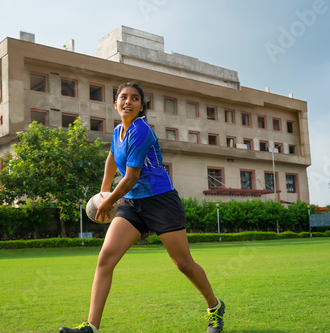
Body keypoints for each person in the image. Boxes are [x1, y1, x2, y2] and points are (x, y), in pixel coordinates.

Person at [59, 82, 225, 333]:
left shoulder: (141, 131)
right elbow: (112, 160)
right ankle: (91, 327)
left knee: (183, 264)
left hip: (161, 201)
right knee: (105, 259)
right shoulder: (118, 132)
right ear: (115, 103)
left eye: (134, 98)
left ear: (141, 106)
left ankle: (214, 308)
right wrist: (103, 192)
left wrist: (108, 201)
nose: (128, 102)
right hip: (132, 203)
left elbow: (130, 178)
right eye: (123, 97)